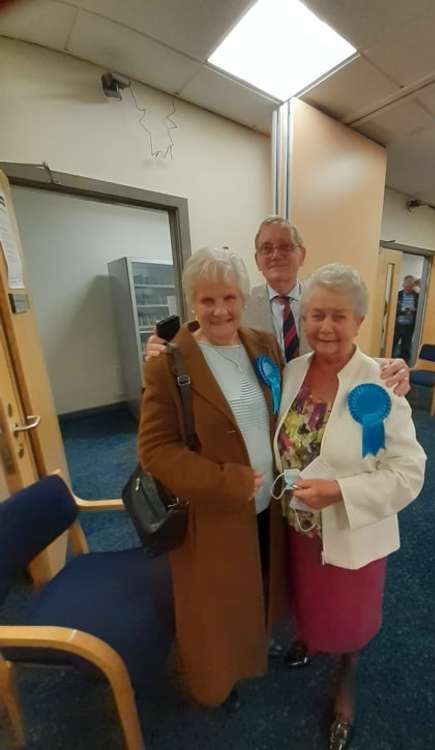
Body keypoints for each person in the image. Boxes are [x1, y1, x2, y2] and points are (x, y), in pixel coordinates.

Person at [274, 263, 426, 750]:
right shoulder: (292, 370)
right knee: (306, 600)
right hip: (297, 526)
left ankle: (347, 677)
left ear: (360, 320)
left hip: (352, 529)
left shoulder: (379, 383)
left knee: (351, 616)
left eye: (339, 315)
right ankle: (309, 638)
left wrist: (339, 491)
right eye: (317, 314)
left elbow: (406, 472)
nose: (326, 327)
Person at [138, 247, 288, 708]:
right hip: (213, 509)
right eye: (207, 301)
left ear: (244, 298)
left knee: (257, 581)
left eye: (229, 297)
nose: (220, 310)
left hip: (269, 504)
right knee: (213, 605)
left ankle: (254, 649)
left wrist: (384, 370)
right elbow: (155, 451)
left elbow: (295, 397)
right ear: (190, 302)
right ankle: (215, 682)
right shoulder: (170, 363)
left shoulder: (262, 344)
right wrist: (228, 482)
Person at [146, 216, 411, 395]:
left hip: (320, 402)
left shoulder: (321, 304)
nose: (276, 255)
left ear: (301, 254)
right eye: (266, 248)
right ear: (257, 259)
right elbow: (207, 340)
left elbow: (337, 349)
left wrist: (383, 368)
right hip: (261, 412)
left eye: (285, 247)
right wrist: (168, 350)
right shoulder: (237, 306)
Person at [392, 274, 419, 362]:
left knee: (406, 348)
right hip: (397, 325)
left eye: (410, 286)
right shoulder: (397, 295)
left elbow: (420, 309)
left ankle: (404, 365)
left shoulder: (417, 296)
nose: (408, 288)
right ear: (403, 285)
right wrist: (402, 311)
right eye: (406, 286)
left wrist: (413, 310)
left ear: (413, 286)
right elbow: (392, 310)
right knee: (392, 345)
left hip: (409, 326)